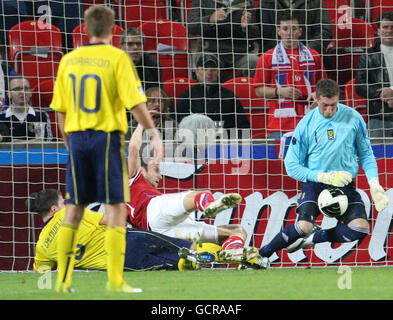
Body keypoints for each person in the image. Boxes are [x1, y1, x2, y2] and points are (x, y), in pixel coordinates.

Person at [49, 5, 163, 293]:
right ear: (114, 29)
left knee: (73, 207)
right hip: (106, 138)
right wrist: (151, 131)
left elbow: (59, 112)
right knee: (115, 207)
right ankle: (115, 280)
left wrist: (68, 142)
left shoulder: (69, 60)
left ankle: (62, 280)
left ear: (85, 29)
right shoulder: (117, 58)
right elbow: (136, 103)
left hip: (76, 138)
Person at [258, 79, 389, 258]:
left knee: (360, 228)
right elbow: (291, 166)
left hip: (344, 185)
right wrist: (323, 177)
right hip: (315, 184)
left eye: (333, 105)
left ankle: (317, 237)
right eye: (325, 106)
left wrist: (374, 183)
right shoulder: (306, 124)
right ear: (317, 99)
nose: (329, 110)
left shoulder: (353, 118)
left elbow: (366, 155)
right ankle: (262, 254)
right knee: (303, 226)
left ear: (339, 99)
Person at [126, 122, 269, 269]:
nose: (160, 176)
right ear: (141, 170)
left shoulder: (122, 205)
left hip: (165, 234)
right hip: (155, 214)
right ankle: (208, 205)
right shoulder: (133, 181)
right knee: (200, 195)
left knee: (236, 230)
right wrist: (141, 122)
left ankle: (231, 252)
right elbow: (133, 148)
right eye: (156, 169)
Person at [29, 190, 259, 274]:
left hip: (123, 264)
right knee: (186, 246)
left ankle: (196, 261)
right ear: (54, 208)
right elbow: (110, 220)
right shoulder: (71, 213)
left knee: (174, 265)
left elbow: (41, 271)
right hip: (134, 238)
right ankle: (223, 253)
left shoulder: (42, 247)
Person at [253, 11, 326, 139]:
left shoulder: (314, 56)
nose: (289, 33)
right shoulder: (267, 58)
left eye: (293, 29)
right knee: (281, 159)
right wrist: (279, 91)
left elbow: (324, 86)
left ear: (300, 31)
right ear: (278, 31)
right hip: (279, 124)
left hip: (312, 121)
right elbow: (258, 90)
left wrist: (318, 95)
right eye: (285, 29)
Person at [176, 54, 250, 134]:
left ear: (218, 72)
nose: (209, 73)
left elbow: (244, 126)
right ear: (197, 72)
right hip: (196, 142)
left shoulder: (229, 96)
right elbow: (180, 125)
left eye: (213, 69)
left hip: (225, 143)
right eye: (204, 69)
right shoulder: (187, 96)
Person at [187, 0, 260, 78]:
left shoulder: (247, 2)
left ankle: (253, 90)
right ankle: (206, 90)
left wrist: (247, 27)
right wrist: (210, 19)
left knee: (256, 62)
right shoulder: (202, 1)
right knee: (207, 66)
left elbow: (256, 35)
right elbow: (191, 27)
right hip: (211, 51)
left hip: (240, 53)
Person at [355, 10, 393, 138]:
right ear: (378, 30)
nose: (389, 31)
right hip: (379, 116)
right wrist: (383, 95)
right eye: (385, 27)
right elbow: (360, 87)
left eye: (392, 27)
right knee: (376, 156)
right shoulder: (367, 55)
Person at [255, 0, 333, 57]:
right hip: (274, 56)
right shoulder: (265, 3)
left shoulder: (314, 2)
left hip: (308, 55)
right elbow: (260, 34)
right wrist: (279, 52)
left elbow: (325, 31)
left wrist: (306, 51)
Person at [0, 75, 53, 142]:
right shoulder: (1, 117)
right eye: (17, 89)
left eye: (26, 88)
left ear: (31, 92)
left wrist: (16, 141)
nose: (22, 92)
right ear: (9, 94)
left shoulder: (41, 115)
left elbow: (46, 142)